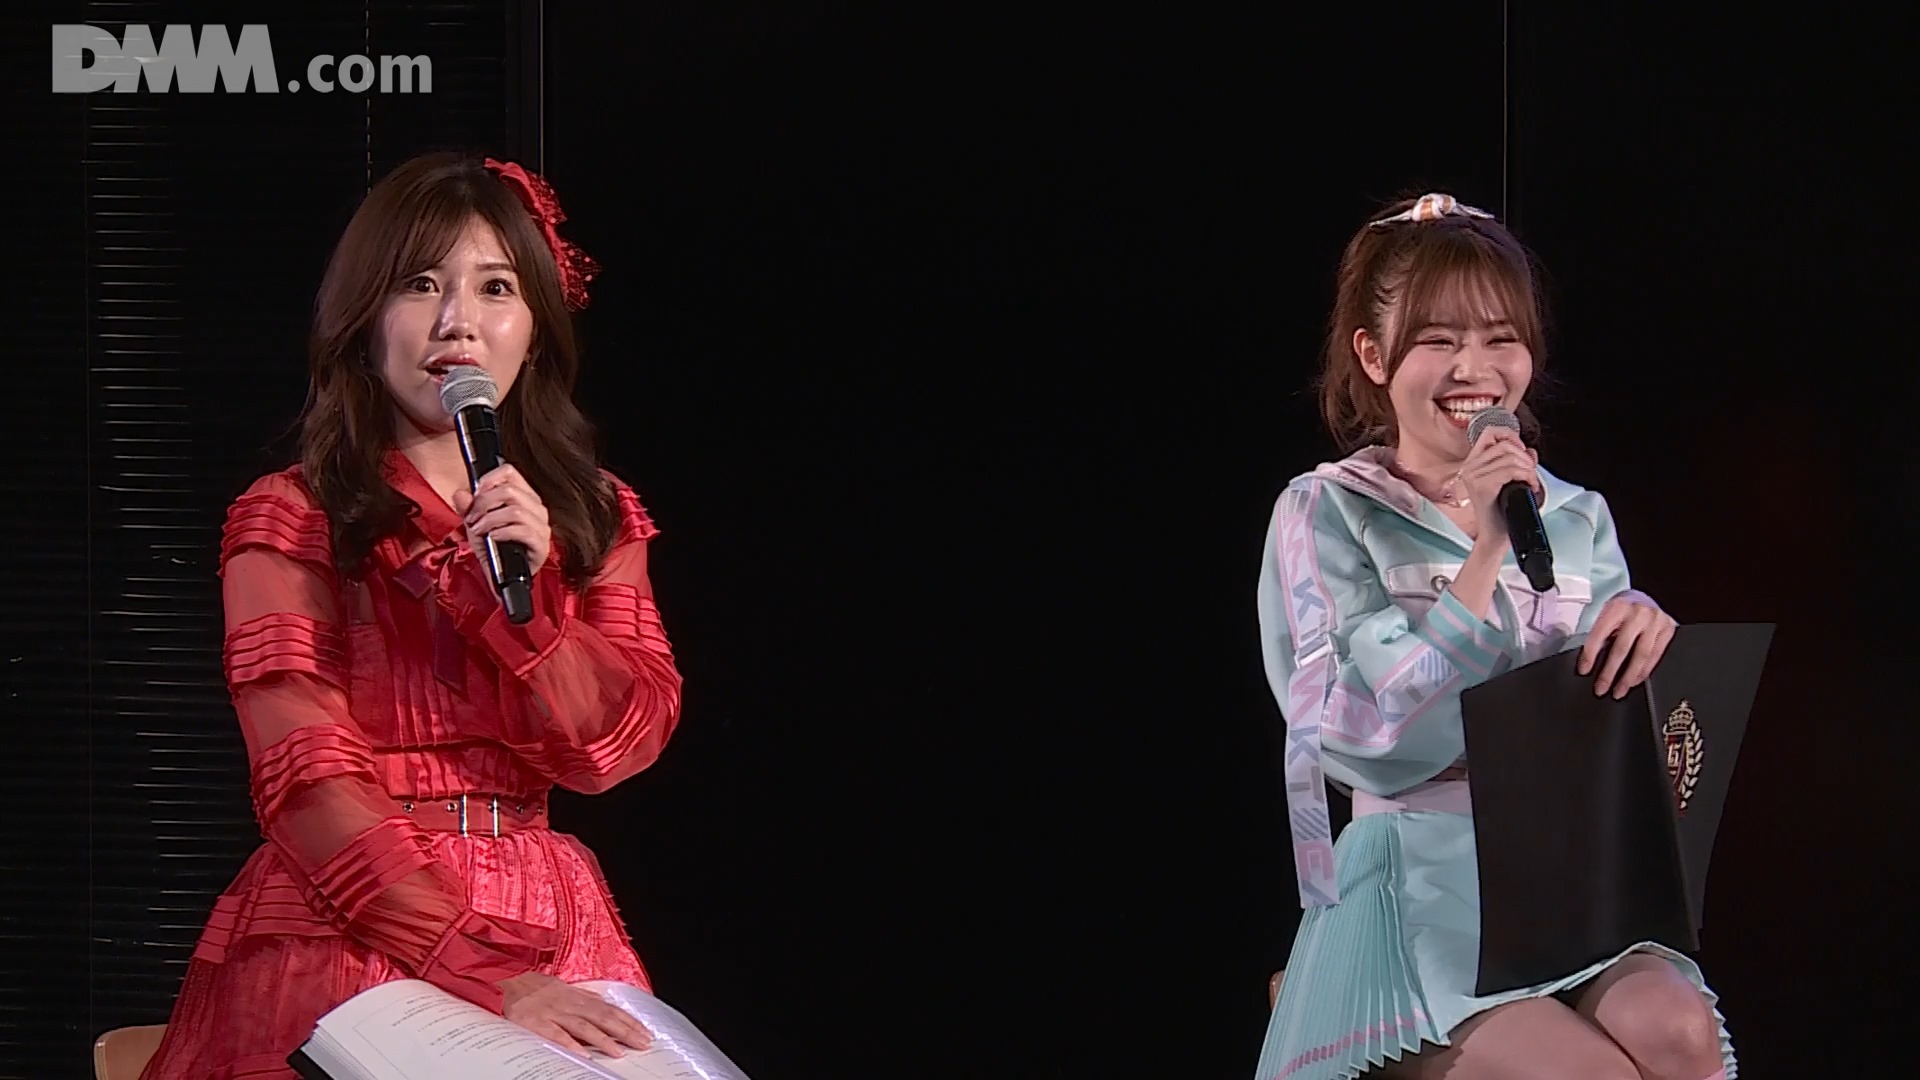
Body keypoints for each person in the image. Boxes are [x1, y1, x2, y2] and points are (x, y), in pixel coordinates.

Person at [142, 152, 680, 1078]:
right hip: (351, 919)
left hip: (553, 921)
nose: (456, 320)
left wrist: (528, 611)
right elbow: (305, 777)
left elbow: (612, 750)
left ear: (535, 332)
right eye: (420, 284)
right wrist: (481, 967)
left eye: (496, 288)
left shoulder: (593, 513)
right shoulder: (294, 513)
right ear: (364, 322)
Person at [1251, 193, 1735, 1080]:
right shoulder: (1327, 513)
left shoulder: (1577, 516)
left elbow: (1611, 731)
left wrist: (1645, 639)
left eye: (1499, 338)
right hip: (1419, 893)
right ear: (1373, 356)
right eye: (1438, 340)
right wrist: (1484, 552)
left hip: (1566, 885)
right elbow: (1363, 736)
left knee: (1681, 1034)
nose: (1473, 368)